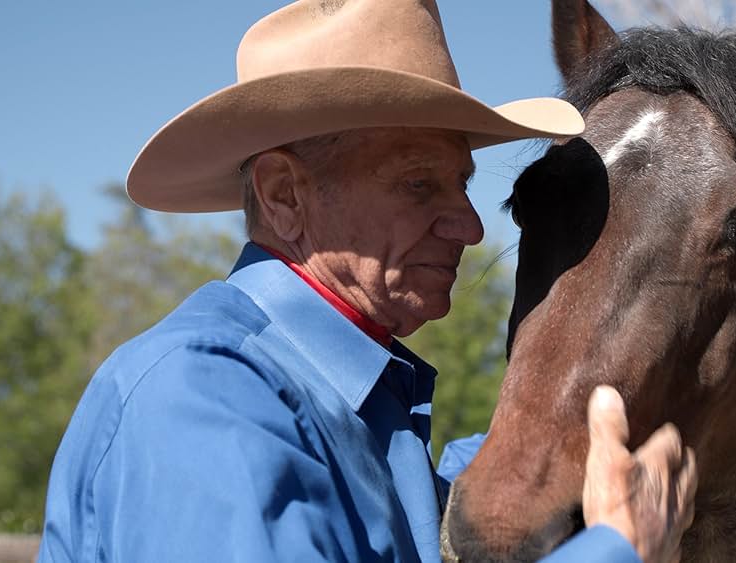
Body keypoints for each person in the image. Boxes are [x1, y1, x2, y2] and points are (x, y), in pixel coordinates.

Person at [38, 1, 696, 562]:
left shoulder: (355, 405)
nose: (470, 227)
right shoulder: (199, 399)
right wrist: (617, 547)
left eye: (462, 183)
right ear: (283, 195)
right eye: (418, 184)